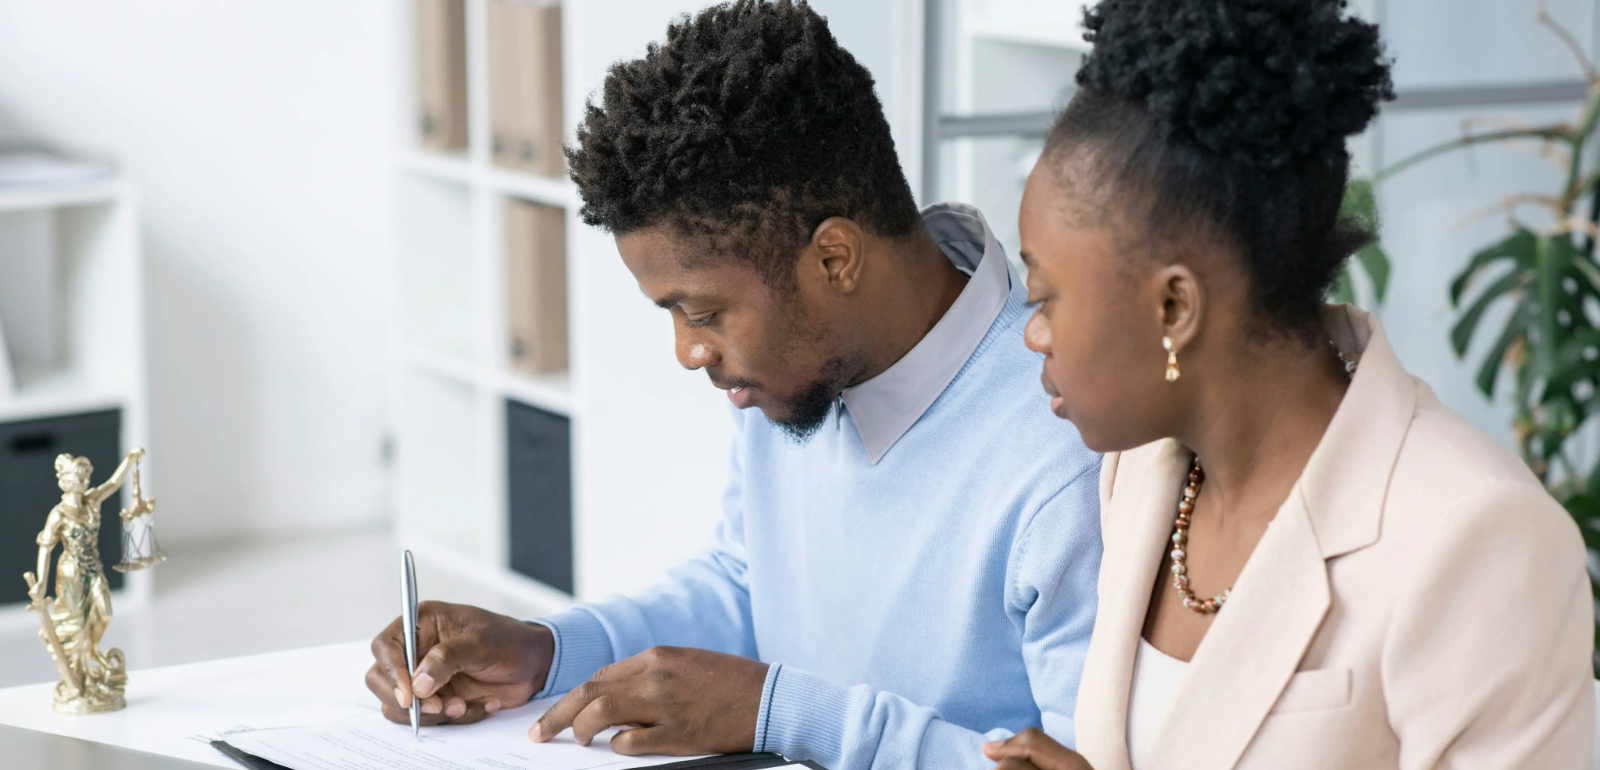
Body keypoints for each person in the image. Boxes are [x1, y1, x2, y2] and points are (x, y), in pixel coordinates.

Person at [365, 2, 1103, 768]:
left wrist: (782, 714)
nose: (689, 351)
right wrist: (550, 652)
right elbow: (749, 586)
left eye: (705, 312)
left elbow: (1079, 764)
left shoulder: (1070, 440)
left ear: (835, 260)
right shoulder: (798, 373)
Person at [979, 1, 1596, 769]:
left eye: (1044, 298)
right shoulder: (1138, 476)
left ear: (1175, 306)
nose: (1032, 334)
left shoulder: (1478, 539)